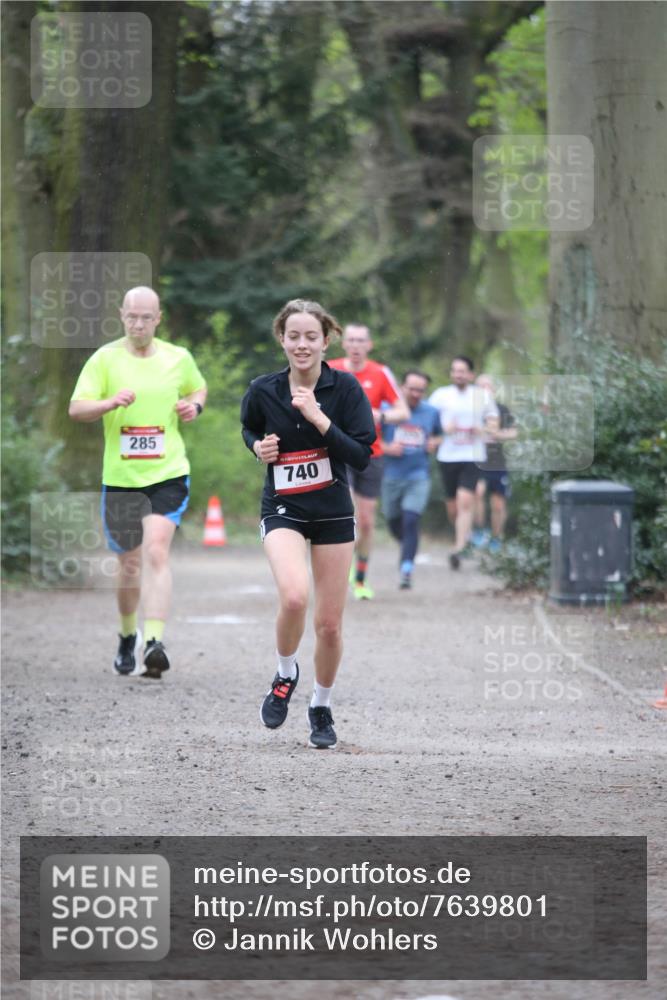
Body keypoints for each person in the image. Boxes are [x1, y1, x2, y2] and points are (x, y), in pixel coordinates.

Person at [241, 299, 375, 749]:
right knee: (295, 596)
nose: (302, 344)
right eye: (293, 336)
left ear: (326, 341)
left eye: (310, 337)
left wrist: (319, 418)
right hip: (283, 507)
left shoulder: (346, 390)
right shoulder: (264, 389)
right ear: (282, 338)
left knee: (330, 626)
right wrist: (258, 447)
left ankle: (321, 705)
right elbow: (249, 430)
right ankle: (284, 675)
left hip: (334, 510)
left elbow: (361, 454)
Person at [69, 286, 207, 678]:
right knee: (129, 565)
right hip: (122, 478)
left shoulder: (178, 358)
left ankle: (154, 641)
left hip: (167, 473)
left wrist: (193, 405)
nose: (139, 323)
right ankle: (128, 634)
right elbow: (76, 408)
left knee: (157, 553)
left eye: (147, 317)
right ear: (121, 315)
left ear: (158, 318)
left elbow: (198, 387)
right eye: (133, 316)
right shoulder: (105, 359)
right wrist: (108, 403)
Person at [328, 324, 408, 599]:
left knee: (366, 522)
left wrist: (379, 416)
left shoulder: (380, 372)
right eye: (351, 340)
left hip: (371, 454)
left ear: (369, 345)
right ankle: (337, 573)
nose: (356, 345)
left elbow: (402, 410)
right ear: (343, 344)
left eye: (361, 340)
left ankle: (360, 578)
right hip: (338, 452)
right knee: (345, 513)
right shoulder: (330, 369)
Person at [428, 356, 498, 569]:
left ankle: (458, 548)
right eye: (455, 370)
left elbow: (494, 427)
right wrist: (442, 429)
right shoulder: (441, 396)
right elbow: (428, 423)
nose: (458, 374)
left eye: (462, 371)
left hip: (473, 456)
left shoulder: (482, 396)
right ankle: (463, 536)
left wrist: (483, 430)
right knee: (453, 508)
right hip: (448, 456)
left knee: (465, 501)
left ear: (471, 375)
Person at [380, 370, 442, 589]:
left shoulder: (432, 412)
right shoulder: (388, 411)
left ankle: (406, 568)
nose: (416, 393)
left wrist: (435, 442)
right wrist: (387, 447)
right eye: (412, 388)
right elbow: (372, 439)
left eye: (421, 390)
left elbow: (438, 434)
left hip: (418, 475)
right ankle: (408, 545)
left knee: (410, 519)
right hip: (391, 476)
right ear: (402, 387)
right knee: (393, 522)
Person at [472, 374, 517, 552]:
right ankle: (479, 531)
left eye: (487, 386)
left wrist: (497, 434)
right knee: (477, 493)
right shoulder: (470, 409)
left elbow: (514, 433)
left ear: (494, 390)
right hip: (475, 460)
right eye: (480, 386)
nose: (484, 390)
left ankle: (497, 538)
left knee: (498, 503)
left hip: (497, 461)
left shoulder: (502, 409)